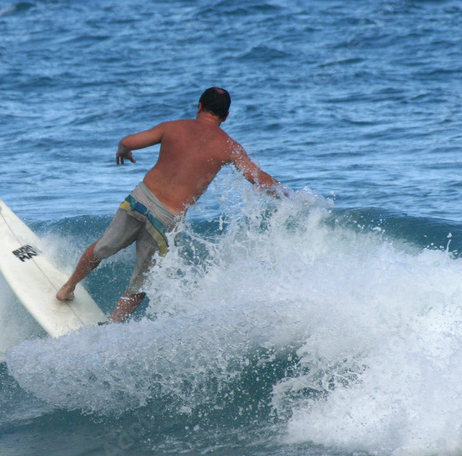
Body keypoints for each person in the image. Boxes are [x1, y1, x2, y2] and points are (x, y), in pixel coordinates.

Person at [56, 87, 289, 323]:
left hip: (140, 199)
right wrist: (289, 197)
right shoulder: (229, 147)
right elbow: (258, 178)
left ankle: (67, 288)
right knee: (142, 282)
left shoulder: (172, 127)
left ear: (199, 106)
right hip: (166, 220)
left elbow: (127, 141)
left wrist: (123, 151)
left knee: (101, 248)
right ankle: (112, 324)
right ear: (226, 116)